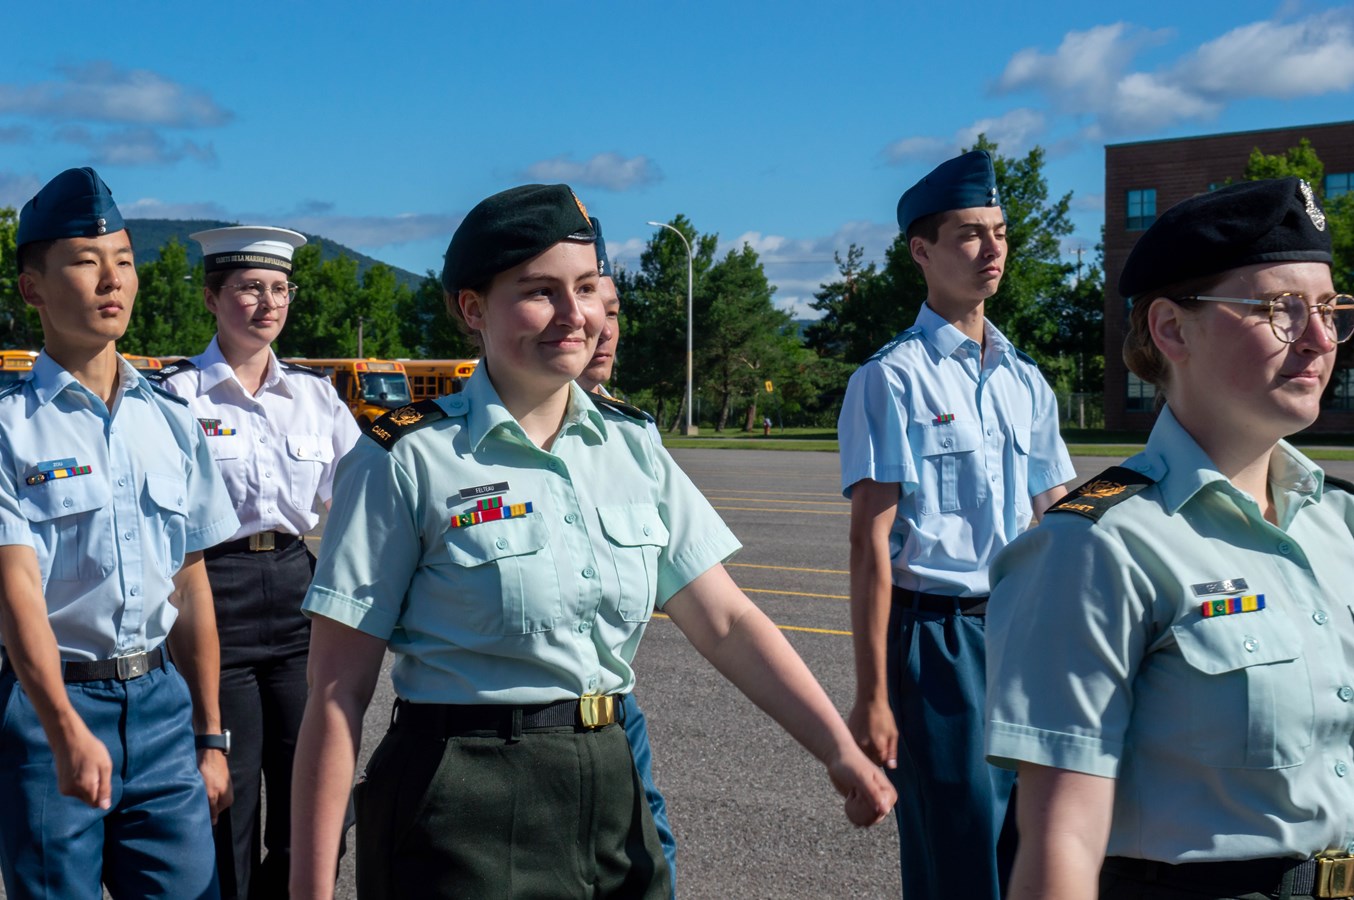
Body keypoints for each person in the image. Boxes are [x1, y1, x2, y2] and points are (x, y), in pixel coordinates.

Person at [289, 183, 896, 899]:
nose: (574, 315)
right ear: (473, 308)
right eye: (539, 291)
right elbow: (338, 689)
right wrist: (310, 888)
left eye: (585, 288)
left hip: (611, 783)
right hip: (461, 799)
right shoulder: (406, 458)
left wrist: (836, 750)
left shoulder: (632, 446)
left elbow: (726, 620)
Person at [986, 177, 1354, 900]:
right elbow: (1062, 842)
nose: (1318, 339)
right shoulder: (1097, 547)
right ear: (1172, 330)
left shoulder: (1338, 522)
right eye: (1281, 309)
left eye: (1329, 309)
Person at [837, 149, 1075, 900]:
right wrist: (873, 694)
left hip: (1022, 630)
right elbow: (869, 543)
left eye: (999, 232)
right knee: (960, 853)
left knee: (1034, 848)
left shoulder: (1026, 379)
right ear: (922, 251)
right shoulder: (891, 379)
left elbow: (1058, 512)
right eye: (970, 234)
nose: (992, 248)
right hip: (938, 641)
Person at [0, 167, 239, 898]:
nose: (113, 281)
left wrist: (210, 736)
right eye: (85, 262)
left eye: (125, 262)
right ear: (33, 289)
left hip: (163, 708)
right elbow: (15, 594)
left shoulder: (171, 419)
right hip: (50, 709)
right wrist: (62, 728)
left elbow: (190, 584)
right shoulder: (10, 427)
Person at [154, 226, 361, 899]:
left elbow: (360, 500)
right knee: (228, 795)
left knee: (314, 787)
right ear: (212, 298)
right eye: (249, 288)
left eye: (280, 289)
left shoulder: (315, 396)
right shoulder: (177, 397)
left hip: (299, 592)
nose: (268, 303)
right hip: (212, 594)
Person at [574, 216, 678, 895]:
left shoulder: (633, 435)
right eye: (593, 307)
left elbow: (720, 611)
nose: (604, 328)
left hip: (613, 702)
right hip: (504, 733)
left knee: (651, 849)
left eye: (613, 310)